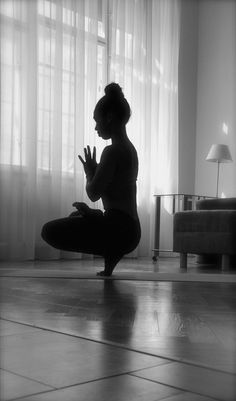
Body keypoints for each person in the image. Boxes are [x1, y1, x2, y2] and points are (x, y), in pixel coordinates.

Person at [41, 83, 141, 276]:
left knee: (49, 231)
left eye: (97, 120)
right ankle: (110, 260)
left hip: (119, 230)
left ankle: (111, 250)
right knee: (76, 218)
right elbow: (114, 194)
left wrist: (89, 172)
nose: (96, 127)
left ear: (109, 117)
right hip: (131, 229)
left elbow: (93, 194)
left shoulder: (112, 151)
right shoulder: (130, 149)